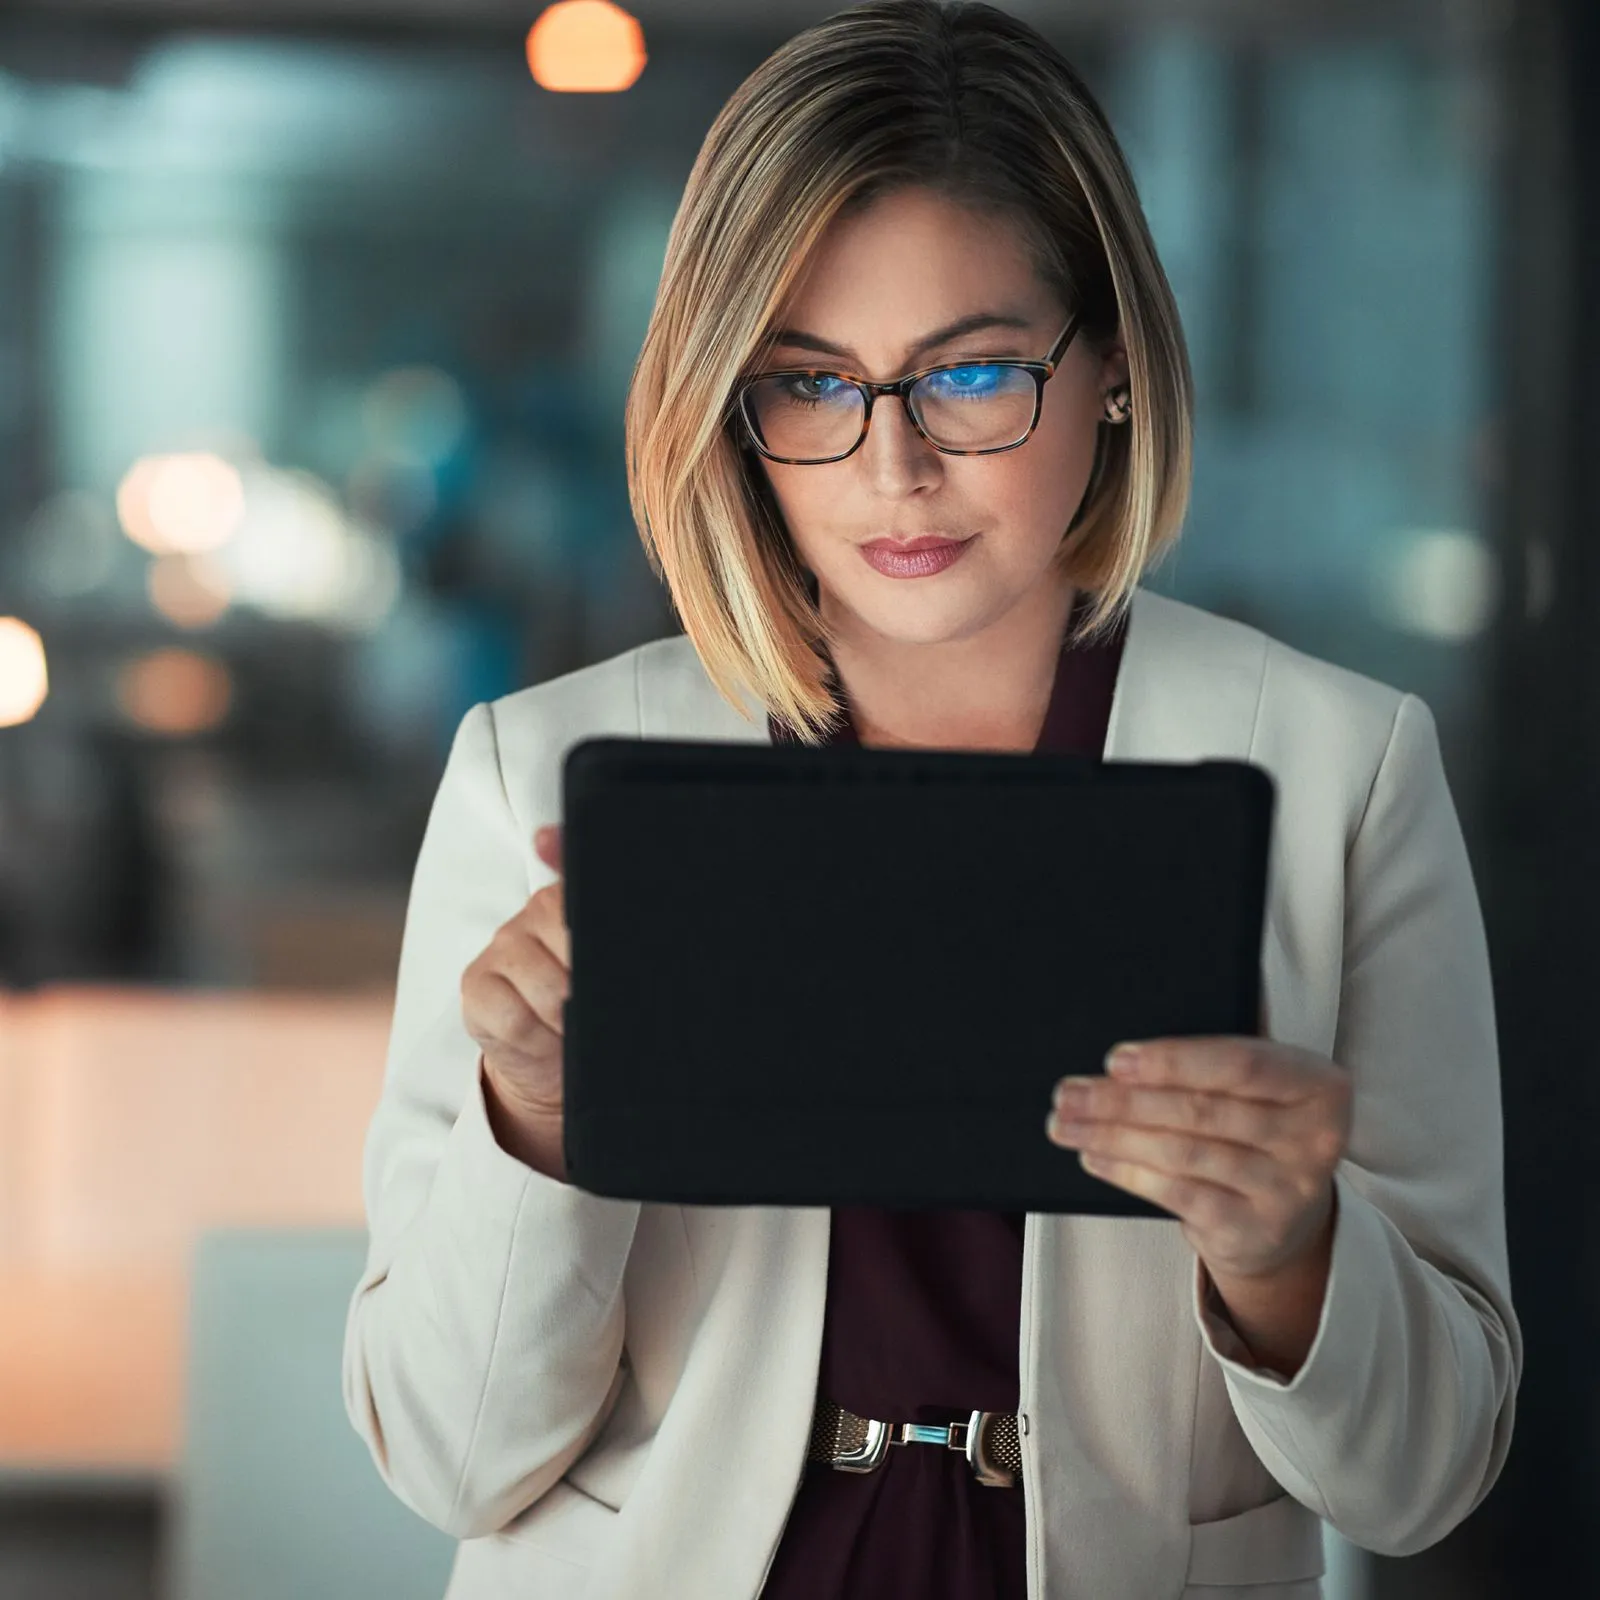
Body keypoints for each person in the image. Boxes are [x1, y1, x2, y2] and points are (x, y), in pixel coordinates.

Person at [341, 3, 1520, 1596]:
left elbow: (1429, 1477)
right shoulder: (535, 776)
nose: (892, 468)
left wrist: (1287, 1257)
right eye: (810, 387)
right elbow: (446, 1456)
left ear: (1110, 367)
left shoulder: (1341, 772)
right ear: (731, 413)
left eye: (969, 373)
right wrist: (535, 1128)